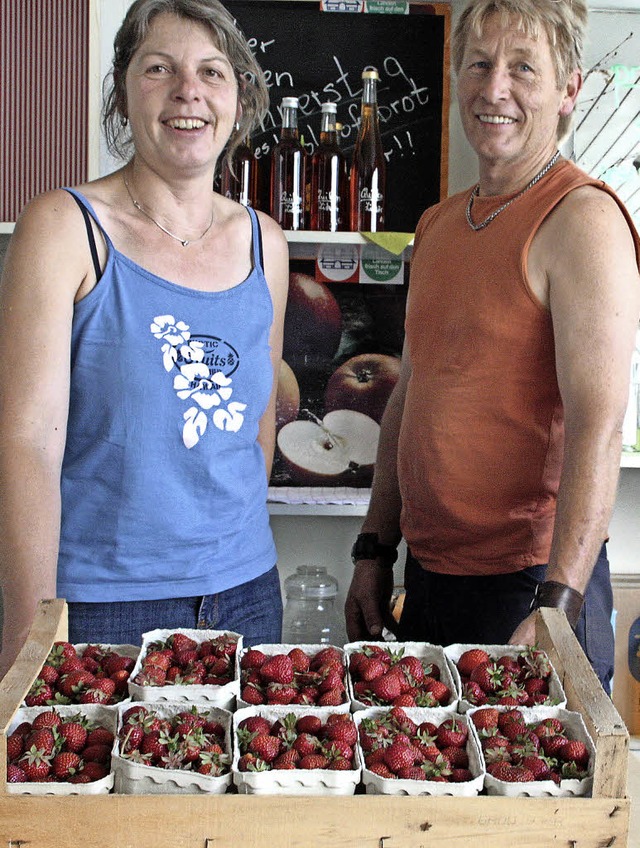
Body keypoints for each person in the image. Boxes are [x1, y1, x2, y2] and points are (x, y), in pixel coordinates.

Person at [345, 0, 640, 693]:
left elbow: (598, 424)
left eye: (522, 68)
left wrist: (560, 602)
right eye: (478, 64)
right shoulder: (440, 224)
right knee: (426, 793)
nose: (494, 87)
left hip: (529, 586)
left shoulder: (582, 220)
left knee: (526, 800)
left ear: (569, 90)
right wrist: (373, 549)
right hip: (430, 576)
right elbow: (408, 401)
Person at [0, 0, 290, 679]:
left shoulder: (264, 243)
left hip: (246, 597)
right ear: (124, 90)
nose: (188, 90)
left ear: (238, 98)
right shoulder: (64, 227)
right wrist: (28, 627)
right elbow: (26, 444)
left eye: (212, 72)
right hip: (102, 607)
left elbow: (259, 420)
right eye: (160, 68)